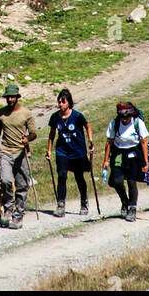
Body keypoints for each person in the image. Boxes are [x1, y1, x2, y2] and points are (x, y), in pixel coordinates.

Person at [0, 82, 37, 229]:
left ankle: (18, 215)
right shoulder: (1, 113)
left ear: (17, 97)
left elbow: (34, 133)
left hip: (21, 152)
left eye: (12, 97)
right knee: (6, 180)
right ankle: (8, 208)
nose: (10, 100)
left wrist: (27, 138)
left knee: (22, 185)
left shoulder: (26, 113)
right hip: (6, 152)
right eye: (8, 97)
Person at [46, 88, 92, 217]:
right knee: (62, 176)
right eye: (59, 102)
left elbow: (87, 126)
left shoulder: (77, 116)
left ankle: (84, 201)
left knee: (79, 177)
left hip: (77, 151)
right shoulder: (55, 117)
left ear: (69, 103)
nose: (60, 104)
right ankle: (61, 205)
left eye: (63, 102)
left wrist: (90, 140)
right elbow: (52, 134)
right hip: (62, 151)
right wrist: (49, 149)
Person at [102, 100, 149, 221]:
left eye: (127, 117)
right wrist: (106, 160)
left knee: (131, 182)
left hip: (133, 154)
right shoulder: (114, 124)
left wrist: (145, 162)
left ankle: (132, 209)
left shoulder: (138, 123)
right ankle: (125, 201)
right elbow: (109, 142)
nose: (124, 119)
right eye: (122, 117)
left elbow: (144, 142)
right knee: (116, 181)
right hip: (118, 153)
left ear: (131, 115)